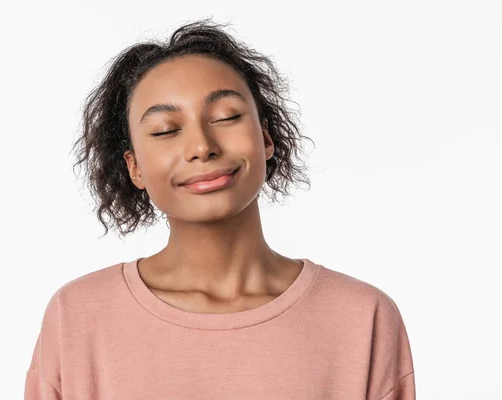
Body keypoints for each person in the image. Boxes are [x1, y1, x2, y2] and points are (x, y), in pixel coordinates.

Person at [24, 18, 415, 399]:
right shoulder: (77, 317)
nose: (201, 146)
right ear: (135, 167)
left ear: (265, 138)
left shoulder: (362, 319)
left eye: (226, 117)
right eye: (165, 130)